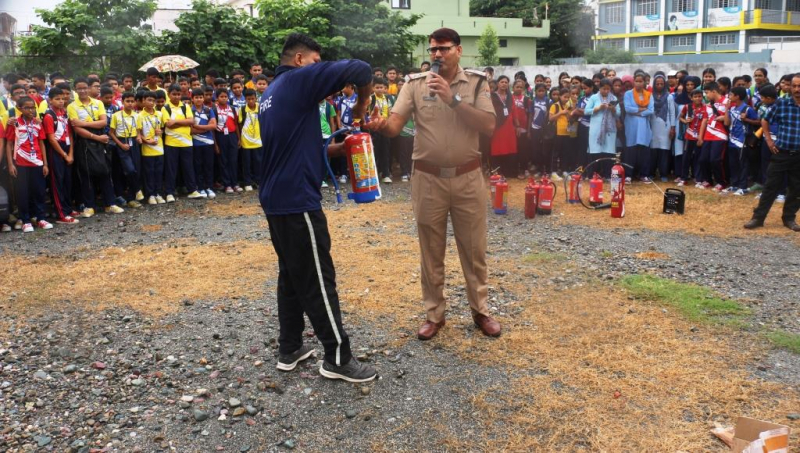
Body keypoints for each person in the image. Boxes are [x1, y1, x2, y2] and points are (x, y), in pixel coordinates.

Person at [368, 27, 501, 341]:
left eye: (443, 49)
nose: (437, 55)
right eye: (432, 50)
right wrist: (379, 125)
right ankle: (434, 315)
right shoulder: (415, 85)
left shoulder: (478, 82)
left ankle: (480, 311)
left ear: (458, 50)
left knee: (474, 250)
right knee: (431, 251)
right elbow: (395, 124)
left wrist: (453, 100)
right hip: (428, 179)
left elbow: (489, 124)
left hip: (468, 177)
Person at [258, 33, 377, 382]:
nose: (318, 70)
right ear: (298, 60)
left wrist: (332, 152)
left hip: (277, 196)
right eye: (315, 61)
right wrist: (361, 104)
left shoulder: (271, 94)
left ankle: (290, 347)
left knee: (293, 275)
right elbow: (361, 68)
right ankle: (338, 357)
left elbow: (290, 148)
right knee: (319, 279)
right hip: (296, 200)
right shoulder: (298, 80)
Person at [745, 73, 800, 232]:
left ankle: (789, 218)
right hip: (781, 152)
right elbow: (765, 120)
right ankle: (758, 218)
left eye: (799, 86)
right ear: (790, 87)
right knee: (770, 186)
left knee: (796, 189)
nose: (797, 89)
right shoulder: (781, 104)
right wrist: (768, 140)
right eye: (794, 86)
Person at [68, 78, 125, 217]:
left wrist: (82, 123)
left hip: (101, 140)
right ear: (75, 90)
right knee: (86, 173)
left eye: (84, 88)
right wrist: (95, 135)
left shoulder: (98, 102)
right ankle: (89, 206)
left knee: (105, 171)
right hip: (84, 142)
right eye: (79, 88)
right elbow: (76, 130)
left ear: (88, 88)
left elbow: (103, 123)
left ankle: (110, 204)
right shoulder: (72, 106)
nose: (82, 91)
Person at [5, 96, 53, 233]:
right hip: (20, 163)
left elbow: (42, 143)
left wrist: (45, 164)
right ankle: (25, 220)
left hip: (37, 162)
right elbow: (9, 144)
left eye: (33, 107)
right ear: (19, 109)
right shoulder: (14, 123)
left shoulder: (38, 123)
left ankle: (40, 218)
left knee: (39, 191)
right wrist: (10, 164)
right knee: (23, 193)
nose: (31, 110)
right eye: (27, 108)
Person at [42, 87, 79, 223]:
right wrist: (64, 155)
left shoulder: (64, 113)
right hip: (56, 150)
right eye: (57, 99)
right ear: (50, 100)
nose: (61, 101)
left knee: (67, 181)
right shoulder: (49, 116)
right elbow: (51, 139)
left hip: (67, 147)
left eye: (63, 99)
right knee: (57, 181)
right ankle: (61, 213)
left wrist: (71, 153)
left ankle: (68, 209)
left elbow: (69, 133)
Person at [162, 84, 202, 201]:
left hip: (186, 142)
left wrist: (176, 122)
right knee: (171, 168)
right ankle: (169, 192)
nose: (176, 97)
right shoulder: (165, 108)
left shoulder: (185, 107)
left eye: (178, 94)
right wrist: (183, 122)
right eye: (174, 94)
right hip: (172, 142)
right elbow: (168, 124)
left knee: (188, 167)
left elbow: (192, 121)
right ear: (169, 94)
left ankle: (192, 190)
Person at [108, 91, 143, 208]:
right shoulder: (116, 115)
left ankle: (132, 198)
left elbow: (138, 131)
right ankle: (137, 189)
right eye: (127, 101)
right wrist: (120, 144)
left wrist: (138, 137)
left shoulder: (137, 115)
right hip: (122, 142)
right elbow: (111, 133)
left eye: (132, 101)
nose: (130, 104)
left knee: (136, 169)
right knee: (130, 169)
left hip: (133, 143)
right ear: (122, 102)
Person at [724, 86, 760, 195]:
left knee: (743, 164)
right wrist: (726, 109)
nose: (729, 97)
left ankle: (743, 186)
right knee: (733, 163)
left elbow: (759, 122)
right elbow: (726, 123)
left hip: (742, 140)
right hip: (732, 140)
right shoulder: (732, 108)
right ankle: (735, 184)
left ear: (737, 96)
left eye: (731, 95)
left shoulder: (747, 109)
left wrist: (747, 119)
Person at [585, 78, 620, 177]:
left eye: (608, 89)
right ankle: (595, 174)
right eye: (604, 89)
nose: (606, 91)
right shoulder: (594, 98)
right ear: (599, 88)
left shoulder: (614, 98)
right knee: (596, 151)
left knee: (608, 152)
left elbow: (618, 114)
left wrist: (612, 109)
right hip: (596, 129)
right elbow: (586, 111)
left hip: (610, 130)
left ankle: (607, 174)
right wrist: (598, 108)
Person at [697, 82, 728, 191]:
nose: (705, 95)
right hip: (708, 135)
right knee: (703, 159)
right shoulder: (708, 105)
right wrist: (700, 137)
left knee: (715, 160)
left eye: (707, 93)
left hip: (720, 135)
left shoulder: (727, 102)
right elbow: (704, 121)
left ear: (714, 91)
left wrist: (724, 118)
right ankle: (708, 180)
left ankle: (721, 182)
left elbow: (732, 117)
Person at [623, 73, 654, 183]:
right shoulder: (628, 94)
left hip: (644, 126)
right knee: (631, 150)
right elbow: (627, 109)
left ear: (645, 82)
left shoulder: (649, 95)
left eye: (641, 81)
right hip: (631, 126)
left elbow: (650, 110)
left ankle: (644, 174)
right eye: (637, 81)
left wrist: (636, 112)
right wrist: (641, 109)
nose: (639, 83)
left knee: (644, 151)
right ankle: (628, 175)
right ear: (633, 82)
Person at [137, 91, 166, 205]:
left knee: (158, 171)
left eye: (153, 101)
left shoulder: (159, 114)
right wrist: (147, 141)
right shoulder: (140, 115)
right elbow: (138, 133)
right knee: (149, 172)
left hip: (159, 147)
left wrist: (161, 131)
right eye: (149, 100)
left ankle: (158, 193)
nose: (151, 103)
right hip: (147, 148)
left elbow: (162, 129)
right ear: (143, 101)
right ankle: (150, 195)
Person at [190, 88, 217, 199]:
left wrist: (197, 127)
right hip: (195, 143)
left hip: (209, 143)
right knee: (198, 166)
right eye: (196, 97)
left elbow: (213, 126)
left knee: (209, 166)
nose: (199, 99)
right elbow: (190, 130)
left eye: (200, 97)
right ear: (192, 99)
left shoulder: (208, 110)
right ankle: (200, 188)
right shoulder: (189, 111)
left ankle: (209, 187)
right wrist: (206, 128)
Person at [490, 76, 520, 177]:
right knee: (497, 148)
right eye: (502, 82)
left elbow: (514, 111)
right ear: (498, 84)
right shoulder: (492, 96)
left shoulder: (510, 96)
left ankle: (509, 172)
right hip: (497, 126)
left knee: (510, 148)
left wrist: (518, 125)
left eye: (506, 82)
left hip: (509, 127)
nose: (504, 84)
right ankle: (497, 172)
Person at [678, 87, 706, 187]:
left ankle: (698, 178)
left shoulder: (705, 107)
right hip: (689, 136)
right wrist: (685, 121)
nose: (698, 98)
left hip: (699, 136)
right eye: (695, 97)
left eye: (700, 96)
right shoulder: (687, 107)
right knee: (686, 157)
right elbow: (680, 117)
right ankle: (683, 178)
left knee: (698, 158)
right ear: (691, 98)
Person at [214, 89, 240, 194]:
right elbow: (213, 129)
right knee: (223, 161)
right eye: (221, 96)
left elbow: (237, 124)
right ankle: (227, 184)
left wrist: (239, 139)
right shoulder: (214, 110)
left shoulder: (233, 109)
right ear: (217, 98)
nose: (224, 98)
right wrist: (215, 144)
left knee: (233, 160)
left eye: (225, 96)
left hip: (232, 136)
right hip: (220, 136)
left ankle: (235, 183)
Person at [370, 77, 395, 183]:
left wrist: (389, 124)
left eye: (382, 87)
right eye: (377, 87)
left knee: (385, 151)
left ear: (385, 88)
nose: (380, 89)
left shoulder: (388, 98)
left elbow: (390, 112)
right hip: (374, 128)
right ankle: (373, 175)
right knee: (374, 151)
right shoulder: (371, 98)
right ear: (373, 88)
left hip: (385, 127)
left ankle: (385, 174)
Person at [650, 73, 674, 182]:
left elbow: (672, 113)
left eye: (661, 83)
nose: (659, 85)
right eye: (657, 83)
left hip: (666, 126)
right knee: (653, 151)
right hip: (653, 126)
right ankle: (651, 173)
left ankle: (664, 174)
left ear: (665, 85)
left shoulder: (669, 97)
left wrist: (672, 127)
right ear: (654, 85)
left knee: (664, 151)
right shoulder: (650, 96)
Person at [238, 89, 262, 192]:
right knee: (246, 163)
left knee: (258, 162)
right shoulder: (242, 110)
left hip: (258, 140)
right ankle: (247, 182)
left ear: (256, 98)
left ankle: (258, 181)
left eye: (253, 99)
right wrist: (239, 139)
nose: (251, 101)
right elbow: (239, 124)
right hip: (246, 140)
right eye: (249, 99)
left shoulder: (260, 108)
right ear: (245, 99)